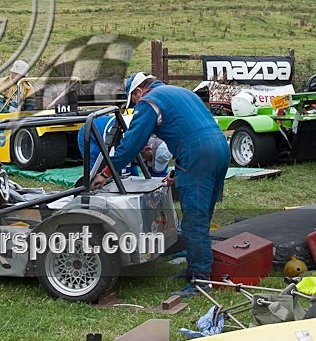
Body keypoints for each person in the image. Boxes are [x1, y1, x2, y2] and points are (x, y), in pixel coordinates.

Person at [91, 72, 230, 297]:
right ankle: (195, 270)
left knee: (194, 222)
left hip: (198, 155)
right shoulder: (181, 92)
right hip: (220, 149)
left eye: (133, 102)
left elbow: (131, 145)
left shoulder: (148, 102)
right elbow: (192, 131)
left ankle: (202, 282)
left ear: (138, 92)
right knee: (201, 217)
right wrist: (181, 171)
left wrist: (105, 173)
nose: (136, 107)